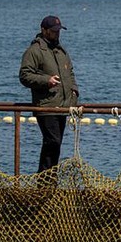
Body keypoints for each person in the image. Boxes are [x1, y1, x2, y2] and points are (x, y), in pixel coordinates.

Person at [19, 15, 79, 173]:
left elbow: (70, 73)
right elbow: (25, 76)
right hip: (46, 106)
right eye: (53, 31)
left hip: (64, 105)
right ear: (43, 30)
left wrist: (74, 92)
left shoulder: (61, 50)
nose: (57, 34)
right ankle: (44, 181)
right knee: (52, 141)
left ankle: (50, 180)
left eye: (58, 31)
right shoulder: (34, 51)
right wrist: (46, 80)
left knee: (56, 145)